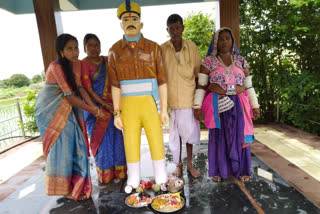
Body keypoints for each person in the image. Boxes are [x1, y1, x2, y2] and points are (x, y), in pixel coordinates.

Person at [34, 34, 108, 201]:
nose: (75, 52)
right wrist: (95, 111)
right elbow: (70, 96)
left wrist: (95, 108)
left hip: (67, 106)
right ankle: (63, 188)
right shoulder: (56, 67)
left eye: (76, 48)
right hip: (50, 109)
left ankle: (75, 184)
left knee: (76, 141)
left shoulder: (77, 65)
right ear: (61, 51)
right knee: (62, 144)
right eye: (70, 48)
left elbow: (80, 88)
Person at [108, 1, 169, 189]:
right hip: (127, 106)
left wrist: (164, 109)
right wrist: (116, 113)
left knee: (156, 137)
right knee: (130, 139)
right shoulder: (114, 51)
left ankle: (161, 175)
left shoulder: (154, 48)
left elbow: (162, 81)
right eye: (126, 20)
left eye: (134, 18)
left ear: (141, 24)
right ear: (121, 25)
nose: (130, 22)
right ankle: (133, 177)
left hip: (150, 102)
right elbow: (115, 85)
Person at [193, 27, 260, 183]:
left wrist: (255, 105)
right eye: (221, 38)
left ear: (232, 41)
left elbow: (248, 86)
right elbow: (202, 86)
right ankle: (218, 170)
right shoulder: (208, 62)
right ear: (216, 42)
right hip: (219, 106)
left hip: (239, 105)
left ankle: (242, 170)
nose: (224, 42)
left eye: (227, 38)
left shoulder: (241, 61)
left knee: (240, 135)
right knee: (218, 137)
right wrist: (197, 107)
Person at [80, 33, 127, 184]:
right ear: (85, 48)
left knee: (117, 139)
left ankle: (120, 172)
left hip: (113, 108)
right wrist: (102, 105)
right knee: (101, 142)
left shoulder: (107, 61)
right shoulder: (82, 65)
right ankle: (105, 174)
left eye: (96, 45)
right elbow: (87, 90)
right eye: (90, 45)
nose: (94, 48)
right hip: (95, 111)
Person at [161, 14, 202, 178]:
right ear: (167, 30)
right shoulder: (162, 49)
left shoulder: (191, 47)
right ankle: (178, 165)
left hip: (189, 100)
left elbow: (199, 75)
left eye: (178, 28)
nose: (175, 31)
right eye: (171, 28)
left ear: (182, 28)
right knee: (175, 136)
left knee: (190, 135)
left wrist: (198, 103)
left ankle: (190, 166)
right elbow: (159, 76)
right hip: (171, 102)